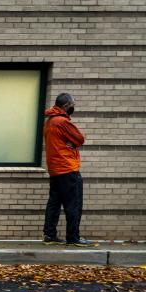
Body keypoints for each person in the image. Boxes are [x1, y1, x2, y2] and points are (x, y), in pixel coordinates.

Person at [43, 93, 93, 247]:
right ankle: (73, 238)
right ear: (66, 106)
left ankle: (50, 236)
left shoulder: (50, 121)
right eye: (73, 104)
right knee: (74, 204)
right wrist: (73, 142)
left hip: (55, 170)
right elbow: (80, 138)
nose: (74, 106)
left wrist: (70, 141)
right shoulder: (62, 121)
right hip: (68, 168)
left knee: (54, 203)